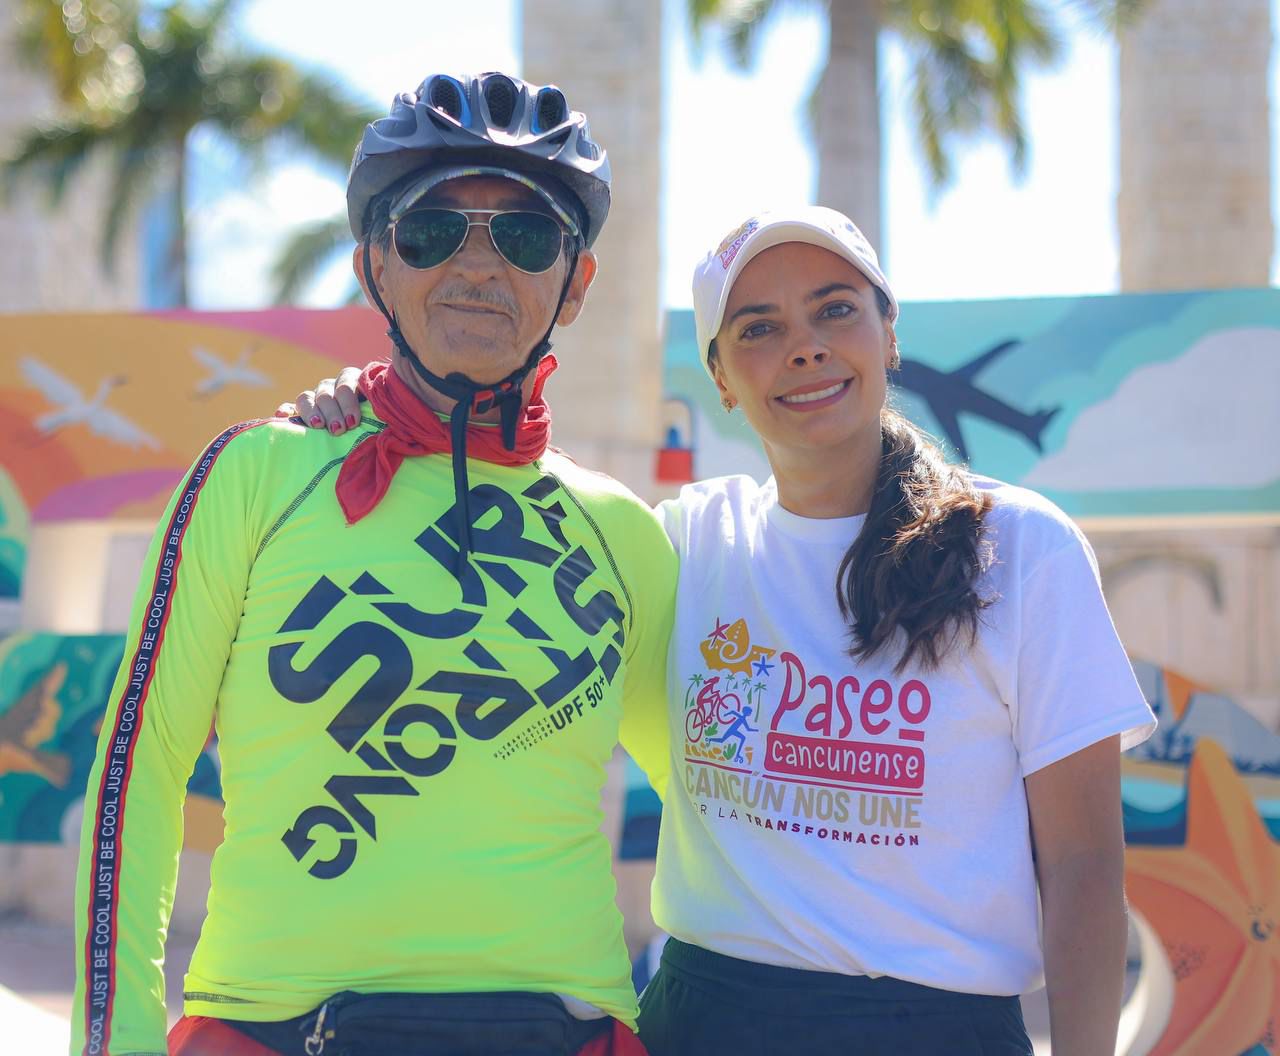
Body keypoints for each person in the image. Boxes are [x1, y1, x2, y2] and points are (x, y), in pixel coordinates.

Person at [298, 206, 1156, 1055]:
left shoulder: (1019, 549)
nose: (805, 347)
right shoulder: (681, 546)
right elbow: (480, 564)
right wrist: (375, 413)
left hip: (938, 1030)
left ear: (888, 335)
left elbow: (1083, 864)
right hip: (704, 1020)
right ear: (720, 379)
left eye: (835, 310)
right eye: (759, 328)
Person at [70, 72, 674, 1056]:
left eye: (525, 237)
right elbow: (140, 770)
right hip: (275, 1026)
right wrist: (115, 1041)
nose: (477, 265)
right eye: (432, 230)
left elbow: (722, 807)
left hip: (563, 1033)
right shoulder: (257, 474)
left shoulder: (624, 533)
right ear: (373, 266)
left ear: (575, 282)